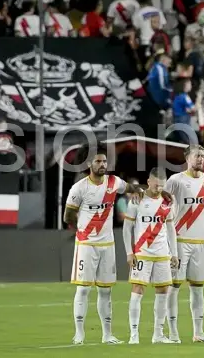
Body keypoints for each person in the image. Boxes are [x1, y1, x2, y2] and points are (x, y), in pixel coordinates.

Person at [63, 145, 146, 345]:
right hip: (86, 244)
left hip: (107, 244)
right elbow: (68, 215)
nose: (103, 164)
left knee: (105, 291)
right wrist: (83, 227)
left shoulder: (113, 182)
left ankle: (107, 334)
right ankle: (79, 334)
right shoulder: (80, 187)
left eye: (104, 161)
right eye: (98, 161)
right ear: (89, 163)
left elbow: (131, 188)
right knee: (83, 289)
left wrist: (139, 191)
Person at [162, 146, 204, 343]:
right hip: (179, 240)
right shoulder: (176, 180)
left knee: (198, 288)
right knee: (174, 287)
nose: (200, 159)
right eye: (196, 156)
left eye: (202, 156)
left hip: (202, 241)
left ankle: (198, 332)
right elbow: (161, 202)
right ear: (187, 158)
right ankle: (173, 333)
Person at [123, 168, 179, 345]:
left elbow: (170, 228)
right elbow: (127, 228)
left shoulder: (167, 202)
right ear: (148, 182)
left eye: (162, 186)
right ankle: (133, 335)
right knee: (137, 291)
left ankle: (158, 334)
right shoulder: (137, 200)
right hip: (142, 253)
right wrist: (129, 252)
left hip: (162, 253)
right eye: (156, 185)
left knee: (163, 291)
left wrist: (174, 253)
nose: (158, 189)